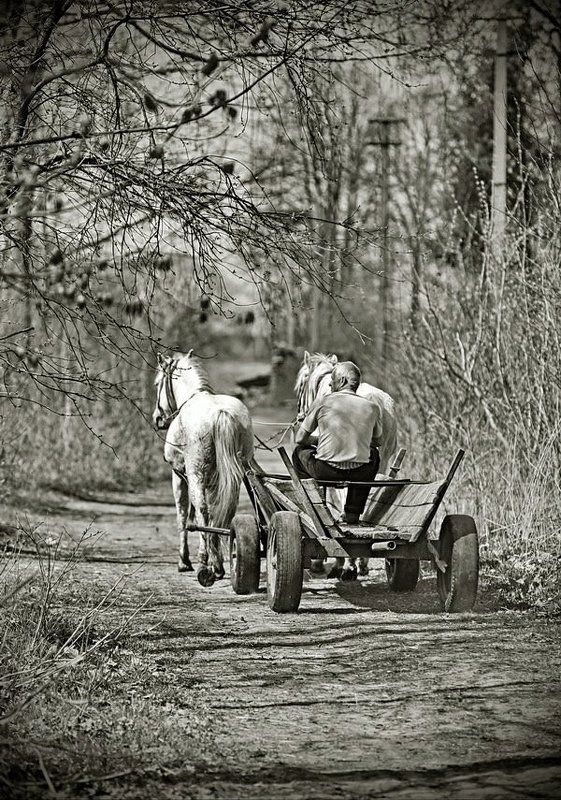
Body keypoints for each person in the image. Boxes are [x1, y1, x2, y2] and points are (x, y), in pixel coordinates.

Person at [292, 361, 383, 524]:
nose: (329, 384)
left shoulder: (322, 402)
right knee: (374, 456)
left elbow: (300, 439)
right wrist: (358, 440)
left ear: (341, 381)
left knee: (298, 452)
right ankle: (353, 512)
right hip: (360, 472)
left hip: (325, 471)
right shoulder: (372, 407)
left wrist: (318, 441)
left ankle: (313, 505)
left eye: (332, 380)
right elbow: (378, 442)